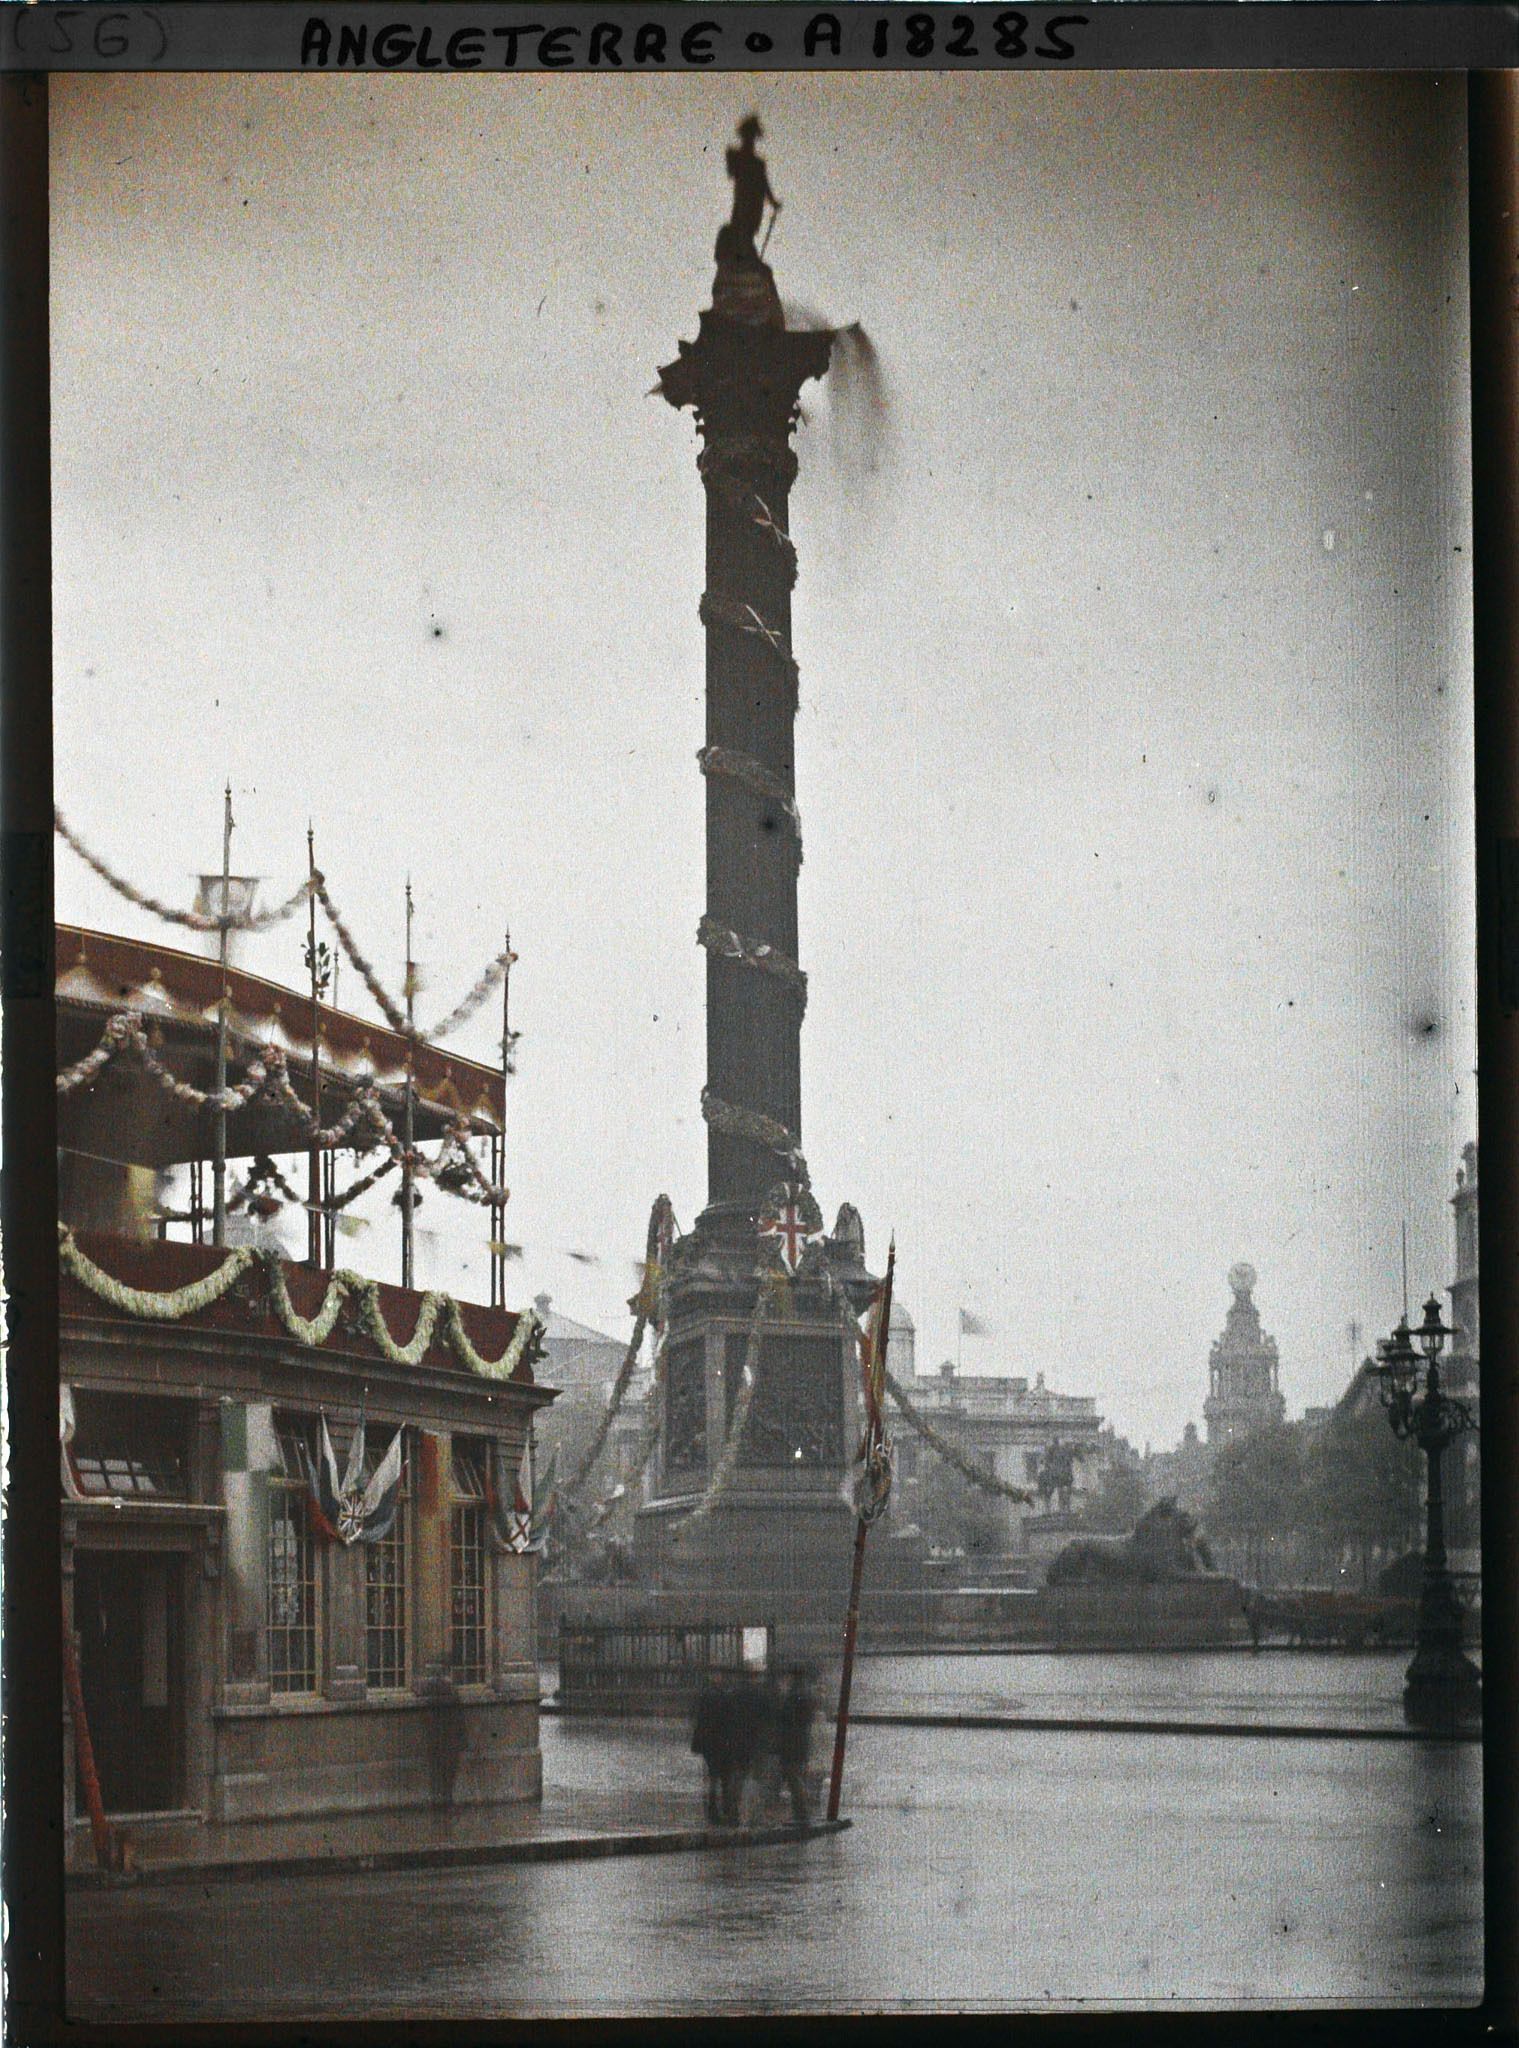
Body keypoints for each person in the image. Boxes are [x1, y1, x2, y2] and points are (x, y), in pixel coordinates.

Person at [774, 1666, 817, 1828]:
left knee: (794, 1779)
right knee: (795, 1778)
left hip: (791, 1745)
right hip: (799, 1744)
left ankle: (801, 1815)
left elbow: (787, 1720)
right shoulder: (803, 1695)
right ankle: (800, 1814)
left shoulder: (793, 1696)